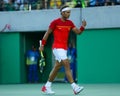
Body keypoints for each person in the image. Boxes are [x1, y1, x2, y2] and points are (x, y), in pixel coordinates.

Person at [39, 5, 87, 95]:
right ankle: (74, 87)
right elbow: (47, 33)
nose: (69, 14)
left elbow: (78, 32)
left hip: (64, 49)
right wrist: (42, 44)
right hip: (57, 48)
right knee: (67, 64)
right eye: (67, 12)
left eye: (70, 12)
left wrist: (83, 27)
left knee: (57, 67)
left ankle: (47, 86)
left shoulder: (70, 23)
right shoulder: (55, 22)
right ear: (62, 13)